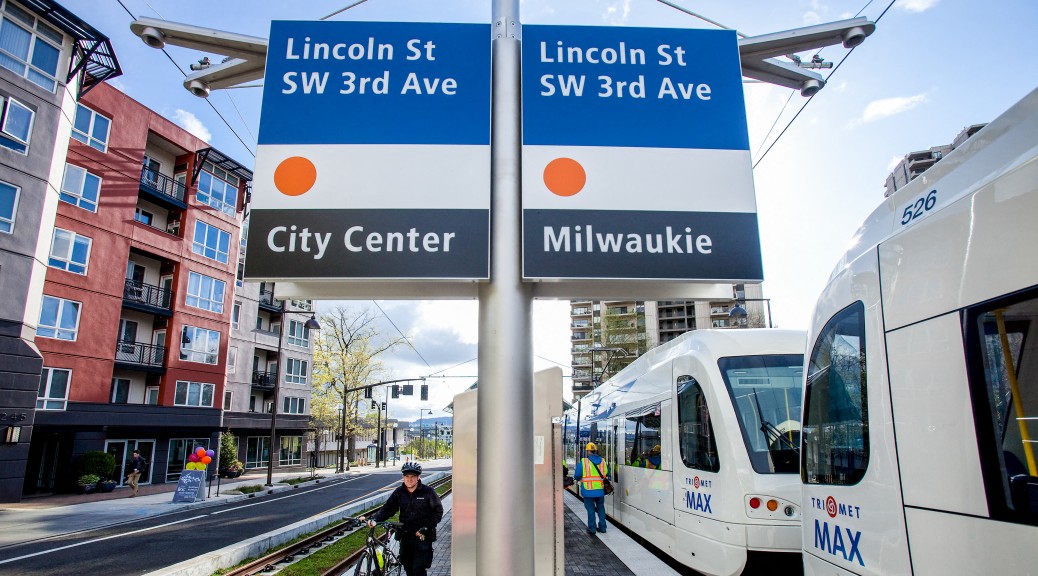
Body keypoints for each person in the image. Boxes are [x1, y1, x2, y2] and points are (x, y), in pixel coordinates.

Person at [361, 462, 443, 576]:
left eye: (412, 477)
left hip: (423, 537)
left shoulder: (428, 492)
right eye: (407, 476)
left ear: (418, 477)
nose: (409, 479)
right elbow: (388, 508)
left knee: (418, 570)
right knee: (408, 568)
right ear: (403, 477)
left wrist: (427, 527)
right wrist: (375, 519)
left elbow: (438, 512)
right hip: (405, 536)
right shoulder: (399, 492)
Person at [574, 442, 608, 536]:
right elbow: (606, 473)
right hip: (600, 491)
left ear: (588, 451)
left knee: (590, 509)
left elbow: (577, 476)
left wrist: (580, 479)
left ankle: (592, 528)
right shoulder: (603, 461)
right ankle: (603, 527)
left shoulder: (584, 462)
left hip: (588, 491)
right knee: (601, 508)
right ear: (595, 450)